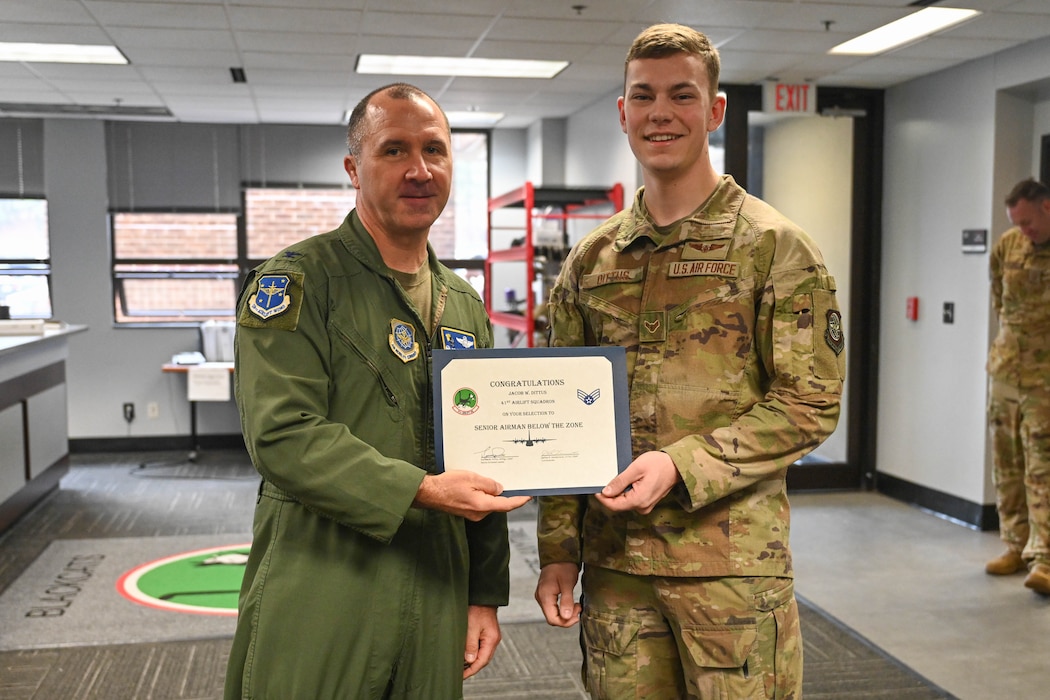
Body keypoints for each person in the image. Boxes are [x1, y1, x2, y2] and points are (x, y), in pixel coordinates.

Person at [534, 23, 845, 699]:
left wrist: (682, 463)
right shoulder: (591, 262)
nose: (661, 113)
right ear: (623, 112)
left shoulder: (774, 247)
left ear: (715, 110)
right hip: (617, 569)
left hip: (730, 571)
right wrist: (558, 553)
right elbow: (560, 415)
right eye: (643, 96)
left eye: (682, 94)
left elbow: (811, 401)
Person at [225, 83, 531, 700]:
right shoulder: (298, 282)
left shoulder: (464, 305)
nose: (419, 170)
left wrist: (484, 594)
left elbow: (487, 455)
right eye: (394, 150)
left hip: (437, 580)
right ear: (353, 168)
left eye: (434, 151)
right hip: (326, 576)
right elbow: (282, 435)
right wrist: (419, 489)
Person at [985, 177, 1050, 595]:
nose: (1023, 230)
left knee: (1042, 468)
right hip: (1006, 373)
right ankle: (1015, 544)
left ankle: (1044, 558)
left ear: (1046, 208)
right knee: (1007, 465)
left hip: (1045, 382)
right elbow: (999, 298)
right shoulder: (1008, 246)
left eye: (1028, 222)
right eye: (1017, 223)